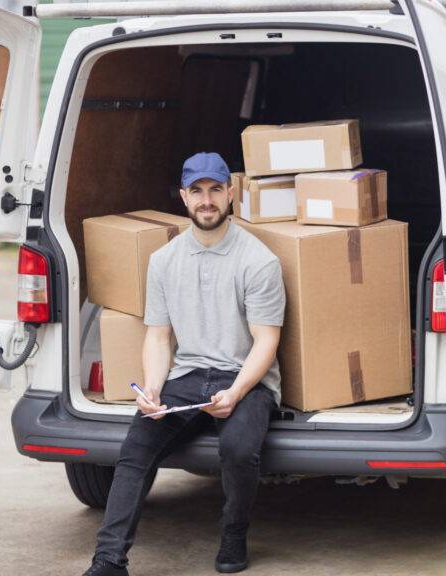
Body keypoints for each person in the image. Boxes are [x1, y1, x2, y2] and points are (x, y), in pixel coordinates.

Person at [84, 152, 286, 576]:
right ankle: (108, 561)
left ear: (230, 194)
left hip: (245, 378)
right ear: (183, 196)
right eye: (197, 191)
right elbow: (158, 335)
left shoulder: (259, 261)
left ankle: (234, 533)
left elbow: (266, 341)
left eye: (215, 190)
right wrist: (153, 388)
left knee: (237, 449)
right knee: (135, 450)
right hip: (188, 375)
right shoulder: (164, 261)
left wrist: (235, 392)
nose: (206, 200)